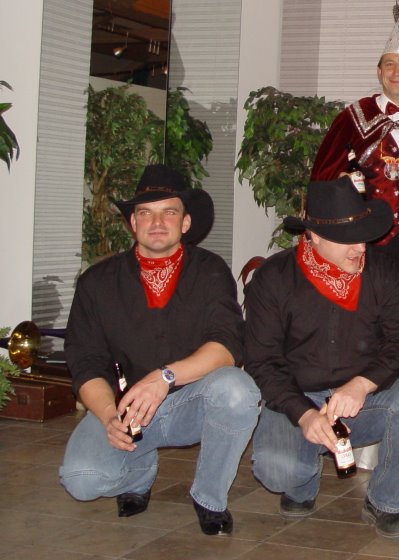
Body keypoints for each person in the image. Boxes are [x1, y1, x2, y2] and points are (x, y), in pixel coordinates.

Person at [60, 164, 260, 536]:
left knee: (238, 390)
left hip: (192, 402)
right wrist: (108, 416)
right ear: (132, 222)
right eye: (145, 213)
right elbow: (85, 360)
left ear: (185, 222)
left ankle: (209, 497)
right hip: (125, 409)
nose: (156, 222)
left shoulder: (210, 271)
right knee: (81, 480)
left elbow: (227, 345)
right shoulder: (96, 283)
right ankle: (139, 473)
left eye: (169, 212)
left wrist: (164, 378)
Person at [244, 178, 399, 541]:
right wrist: (304, 414)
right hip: (295, 400)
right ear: (313, 236)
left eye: (362, 236)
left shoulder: (381, 270)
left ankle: (385, 501)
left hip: (361, 404)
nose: (359, 247)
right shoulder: (274, 278)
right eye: (346, 239)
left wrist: (363, 383)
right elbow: (261, 360)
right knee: (279, 471)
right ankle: (302, 482)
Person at [311, 0, 399, 295]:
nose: (397, 72)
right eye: (389, 64)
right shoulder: (352, 118)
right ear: (379, 72)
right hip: (363, 244)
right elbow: (322, 178)